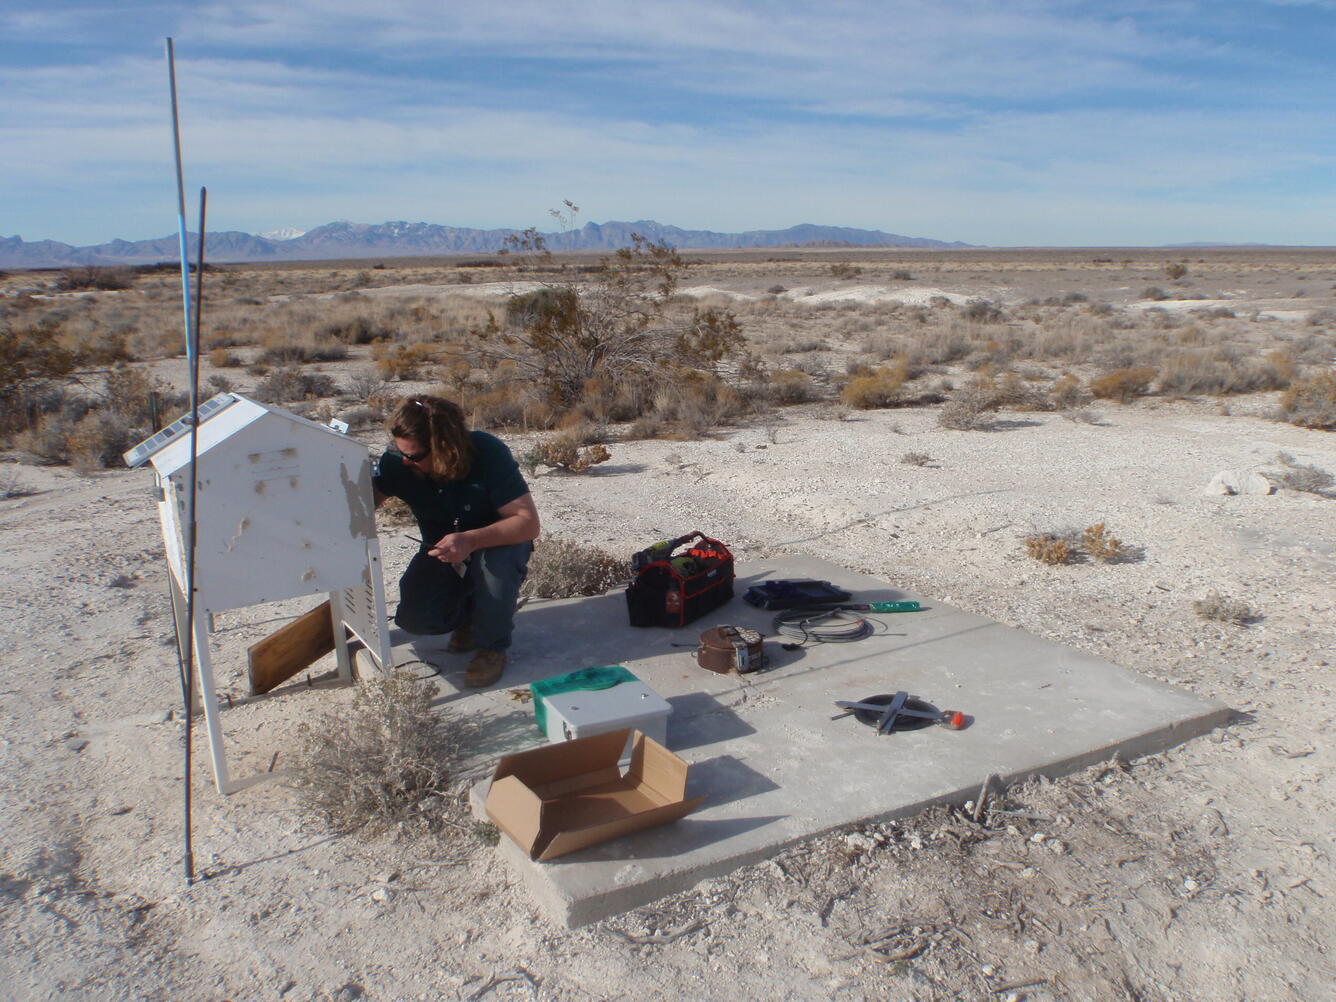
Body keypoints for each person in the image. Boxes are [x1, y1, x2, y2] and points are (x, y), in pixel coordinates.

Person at [371, 396, 540, 687]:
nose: (405, 462)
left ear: (444, 447)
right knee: (416, 620)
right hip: (443, 550)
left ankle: (492, 645)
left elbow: (527, 522)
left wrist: (470, 540)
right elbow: (363, 502)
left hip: (497, 542)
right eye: (400, 453)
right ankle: (470, 620)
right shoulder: (399, 462)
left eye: (414, 456)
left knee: (494, 568)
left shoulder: (487, 453)